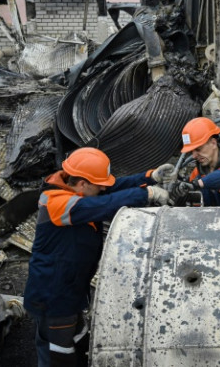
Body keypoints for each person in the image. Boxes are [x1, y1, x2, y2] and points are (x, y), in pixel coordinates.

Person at [23, 147, 173, 367]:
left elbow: (111, 188)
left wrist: (149, 177)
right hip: (53, 297)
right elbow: (103, 205)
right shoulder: (57, 202)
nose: (104, 187)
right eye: (98, 184)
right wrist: (146, 194)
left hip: (69, 289)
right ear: (83, 183)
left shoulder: (75, 189)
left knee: (76, 339)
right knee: (58, 356)